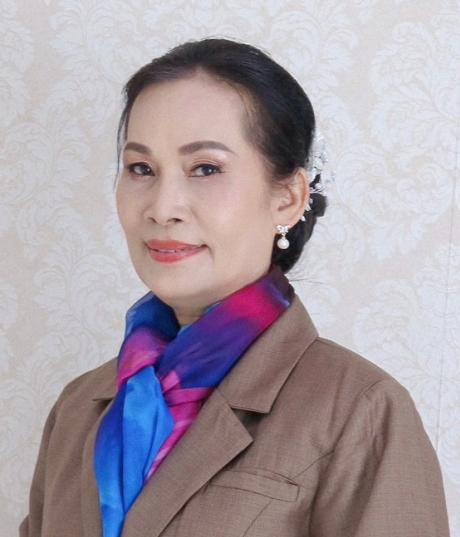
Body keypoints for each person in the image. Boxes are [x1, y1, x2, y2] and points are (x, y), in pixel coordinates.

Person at [19, 37, 450, 537]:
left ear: (288, 197)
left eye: (206, 168)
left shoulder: (359, 410)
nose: (162, 207)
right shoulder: (80, 407)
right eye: (142, 169)